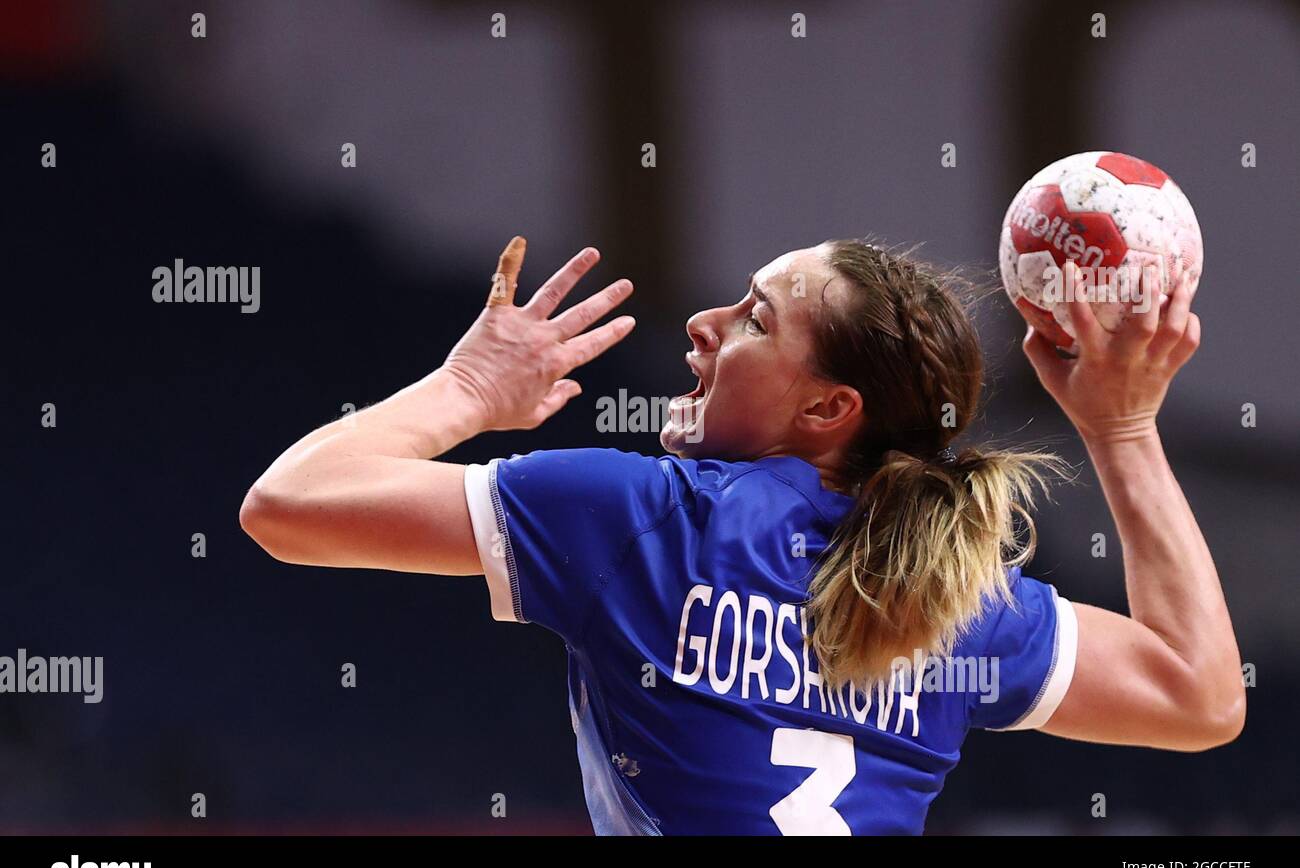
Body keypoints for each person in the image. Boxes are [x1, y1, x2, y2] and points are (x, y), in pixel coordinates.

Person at [240, 236, 1244, 835]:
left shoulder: (639, 517)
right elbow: (1199, 698)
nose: (705, 323)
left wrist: (464, 391)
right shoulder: (954, 596)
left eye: (755, 320)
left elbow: (288, 505)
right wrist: (1122, 428)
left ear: (825, 410)